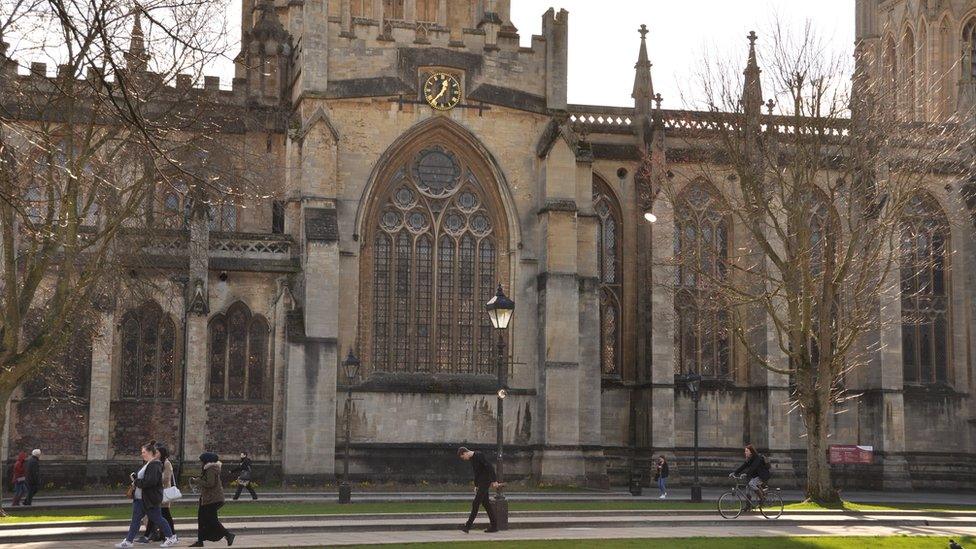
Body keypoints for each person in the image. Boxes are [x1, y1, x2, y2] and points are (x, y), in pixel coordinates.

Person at [114, 441, 179, 548]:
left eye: (144, 452)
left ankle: (171, 537)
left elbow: (150, 482)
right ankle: (128, 541)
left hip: (150, 499)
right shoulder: (149, 464)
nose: (142, 454)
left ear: (150, 452)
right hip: (141, 498)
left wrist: (136, 481)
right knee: (136, 520)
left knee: (158, 519)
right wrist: (137, 480)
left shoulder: (155, 464)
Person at [189, 452, 235, 547]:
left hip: (212, 499)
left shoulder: (211, 469)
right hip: (208, 498)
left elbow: (210, 483)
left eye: (202, 461)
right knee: (202, 520)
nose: (201, 463)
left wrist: (197, 480)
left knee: (212, 520)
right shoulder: (209, 469)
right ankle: (200, 541)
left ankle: (228, 534)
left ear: (206, 461)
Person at [456, 447, 500, 534]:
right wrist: (476, 485)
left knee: (476, 503)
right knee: (486, 504)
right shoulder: (472, 459)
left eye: (462, 457)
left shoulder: (479, 455)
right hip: (481, 483)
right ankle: (494, 526)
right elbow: (477, 473)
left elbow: (489, 467)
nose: (464, 459)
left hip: (485, 481)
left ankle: (467, 526)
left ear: (465, 453)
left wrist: (494, 480)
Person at [140, 443, 177, 543]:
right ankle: (157, 535)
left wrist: (154, 479)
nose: (155, 453)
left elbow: (166, 478)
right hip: (157, 493)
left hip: (164, 493)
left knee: (164, 515)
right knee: (155, 515)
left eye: (157, 452)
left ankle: (172, 535)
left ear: (162, 453)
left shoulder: (166, 463)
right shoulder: (155, 462)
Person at [730, 444, 771, 510]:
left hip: (763, 476)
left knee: (751, 483)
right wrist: (735, 473)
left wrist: (746, 474)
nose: (745, 452)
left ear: (751, 452)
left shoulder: (757, 458)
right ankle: (748, 506)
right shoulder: (750, 459)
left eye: (747, 451)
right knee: (748, 488)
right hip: (757, 476)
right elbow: (744, 466)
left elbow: (753, 468)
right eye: (745, 451)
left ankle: (762, 499)